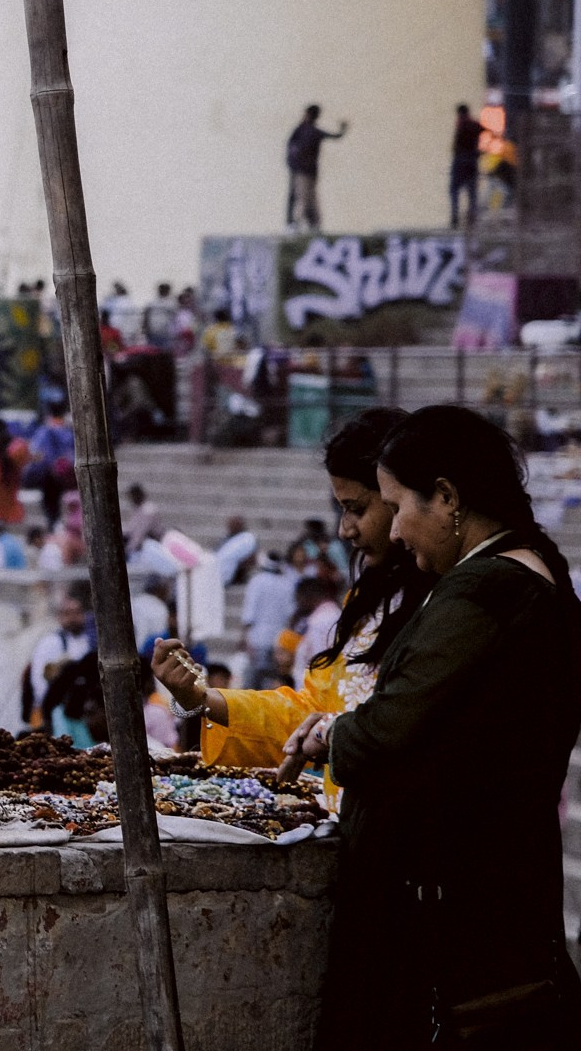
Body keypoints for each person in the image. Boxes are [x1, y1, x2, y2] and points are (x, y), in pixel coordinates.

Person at [285, 405, 581, 1047]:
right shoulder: (529, 572)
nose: (394, 534)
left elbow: (388, 731)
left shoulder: (485, 591)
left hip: (455, 906)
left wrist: (334, 736)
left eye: (397, 505)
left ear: (446, 497)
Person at [29, 584, 93, 730]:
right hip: (56, 710)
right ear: (60, 616)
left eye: (77, 613)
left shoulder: (87, 641)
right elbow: (39, 680)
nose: (73, 618)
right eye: (68, 613)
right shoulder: (51, 643)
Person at [238, 550, 299, 688]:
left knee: (253, 682)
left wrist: (244, 637)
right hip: (278, 640)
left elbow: (249, 613)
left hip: (257, 639)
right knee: (271, 682)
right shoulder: (287, 584)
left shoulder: (256, 581)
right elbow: (291, 614)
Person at [284, 104, 347, 232]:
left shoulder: (306, 131)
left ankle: (309, 224)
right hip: (303, 171)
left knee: (307, 198)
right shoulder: (304, 131)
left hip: (306, 171)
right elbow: (291, 148)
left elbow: (291, 148)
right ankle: (298, 224)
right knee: (303, 198)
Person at [449, 102, 481, 229]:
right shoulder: (474, 124)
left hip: (460, 160)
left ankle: (455, 218)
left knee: (454, 190)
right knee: (472, 191)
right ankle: (472, 218)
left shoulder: (462, 123)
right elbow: (486, 131)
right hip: (472, 160)